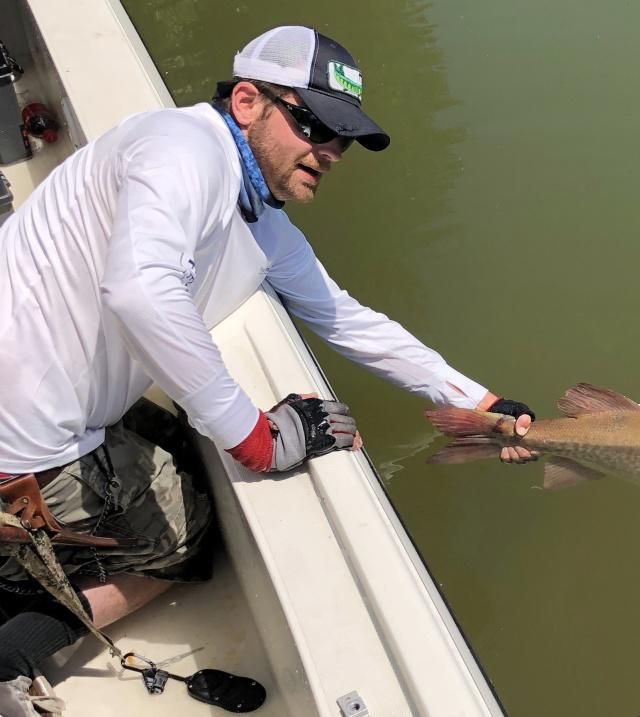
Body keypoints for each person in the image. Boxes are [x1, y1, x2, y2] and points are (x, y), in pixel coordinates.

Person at [0, 25, 535, 711]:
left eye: (343, 139)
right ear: (247, 100)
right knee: (189, 538)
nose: (331, 151)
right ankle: (14, 648)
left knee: (176, 450)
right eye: (315, 124)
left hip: (32, 396)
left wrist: (485, 402)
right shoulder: (183, 149)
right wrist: (256, 436)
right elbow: (139, 288)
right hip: (22, 445)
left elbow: (349, 320)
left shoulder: (260, 220)